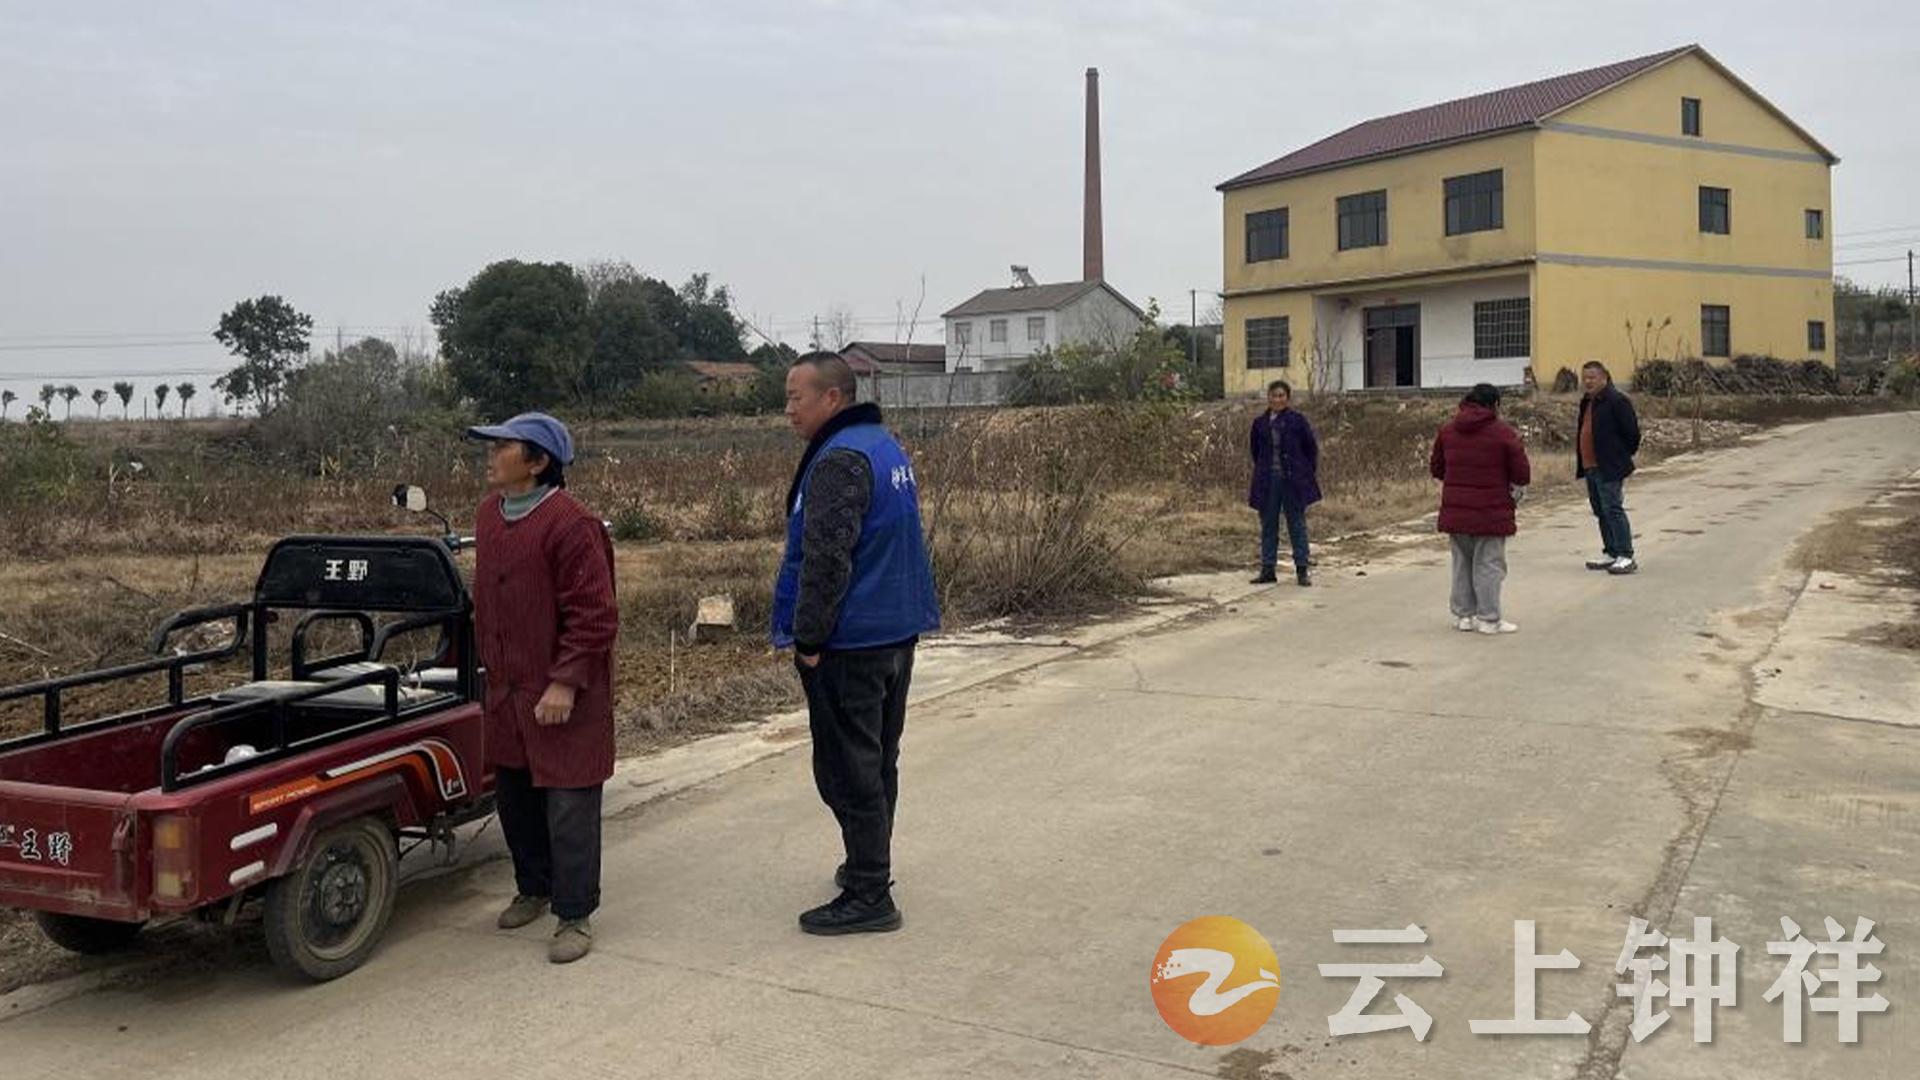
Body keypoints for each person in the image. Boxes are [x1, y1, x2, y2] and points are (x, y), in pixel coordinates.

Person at [773, 353, 941, 936]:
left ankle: (870, 892)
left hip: (853, 640)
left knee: (848, 769)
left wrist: (809, 638)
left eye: (796, 396)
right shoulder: (883, 446)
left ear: (832, 398)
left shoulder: (839, 459)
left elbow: (826, 559)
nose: (788, 409)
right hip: (893, 630)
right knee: (877, 759)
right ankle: (868, 865)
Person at [466, 412, 619, 965]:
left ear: (537, 462)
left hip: (560, 692)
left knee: (569, 805)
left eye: (502, 447)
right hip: (507, 690)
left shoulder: (572, 523)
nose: (490, 456)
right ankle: (533, 887)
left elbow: (594, 615)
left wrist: (564, 683)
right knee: (515, 799)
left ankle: (574, 914)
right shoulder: (489, 514)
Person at [1430, 384, 1532, 635]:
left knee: (1462, 564)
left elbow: (1437, 468)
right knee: (1489, 565)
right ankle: (1489, 619)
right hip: (1491, 510)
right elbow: (1521, 473)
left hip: (1456, 509)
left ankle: (1464, 616)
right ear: (1495, 404)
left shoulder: (1448, 431)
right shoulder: (1503, 432)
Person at [1246, 380, 1322, 587]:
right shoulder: (1260, 424)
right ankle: (1268, 569)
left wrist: (1304, 473)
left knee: (1296, 524)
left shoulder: (1297, 421)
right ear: (1268, 398)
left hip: (1293, 481)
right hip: (1268, 481)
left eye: (1281, 396)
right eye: (1274, 395)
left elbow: (1310, 449)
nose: (1277, 399)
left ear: (1287, 398)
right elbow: (1256, 452)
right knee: (1268, 525)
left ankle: (1302, 569)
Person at [1575, 360, 1642, 575]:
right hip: (1590, 466)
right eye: (1585, 378)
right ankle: (1611, 551)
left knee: (1613, 508)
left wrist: (1619, 456)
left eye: (1592, 377)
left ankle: (1626, 554)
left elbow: (1632, 434)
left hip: (1609, 466)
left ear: (1604, 378)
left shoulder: (1617, 400)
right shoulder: (1587, 402)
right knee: (1600, 511)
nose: (1588, 382)